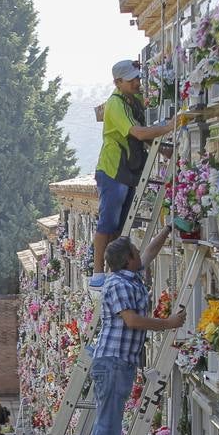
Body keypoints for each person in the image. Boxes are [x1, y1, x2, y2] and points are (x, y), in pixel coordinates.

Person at [89, 233, 185, 435]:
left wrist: (167, 229)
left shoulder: (129, 275)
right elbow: (131, 320)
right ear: (128, 259)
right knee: (107, 426)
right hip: (113, 362)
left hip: (120, 362)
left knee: (110, 424)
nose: (139, 253)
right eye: (134, 250)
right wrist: (168, 324)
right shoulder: (118, 284)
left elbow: (151, 252)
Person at [90, 59, 174, 287]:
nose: (137, 82)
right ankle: (98, 272)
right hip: (113, 169)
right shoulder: (115, 104)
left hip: (129, 170)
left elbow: (143, 136)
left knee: (120, 226)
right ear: (118, 82)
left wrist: (162, 149)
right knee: (107, 223)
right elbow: (137, 132)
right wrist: (169, 127)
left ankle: (112, 269)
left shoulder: (134, 101)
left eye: (137, 77)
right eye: (132, 80)